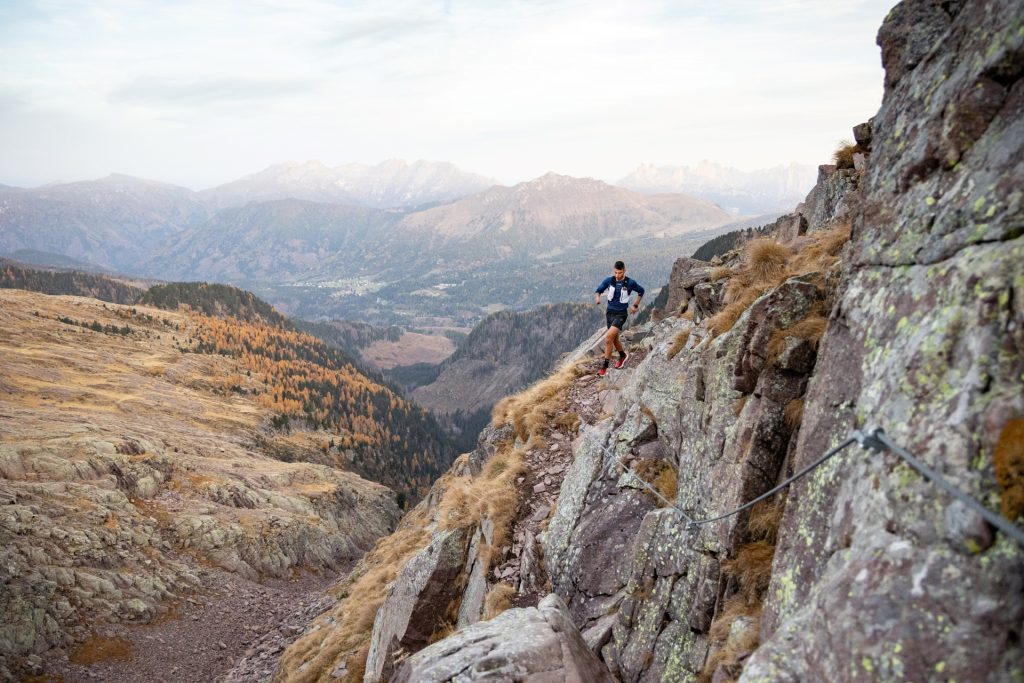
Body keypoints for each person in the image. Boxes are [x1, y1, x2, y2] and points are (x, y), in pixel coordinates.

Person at [594, 261, 644, 376]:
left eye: (620, 273)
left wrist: (635, 305)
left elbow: (641, 291)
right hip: (610, 313)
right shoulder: (609, 280)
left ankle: (604, 368)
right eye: (615, 272)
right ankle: (623, 356)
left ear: (624, 270)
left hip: (621, 314)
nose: (617, 275)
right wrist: (597, 298)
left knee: (608, 339)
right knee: (614, 338)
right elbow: (598, 291)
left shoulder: (630, 283)